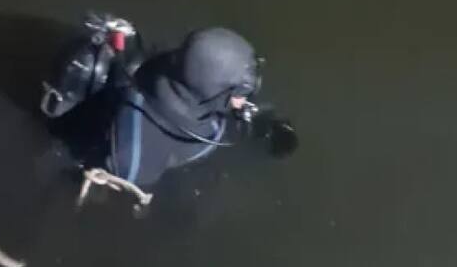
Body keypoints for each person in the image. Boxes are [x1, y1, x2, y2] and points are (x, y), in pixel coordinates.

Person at [46, 21, 294, 196]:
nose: (245, 99)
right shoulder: (138, 155)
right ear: (211, 92)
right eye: (241, 93)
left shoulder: (171, 65)